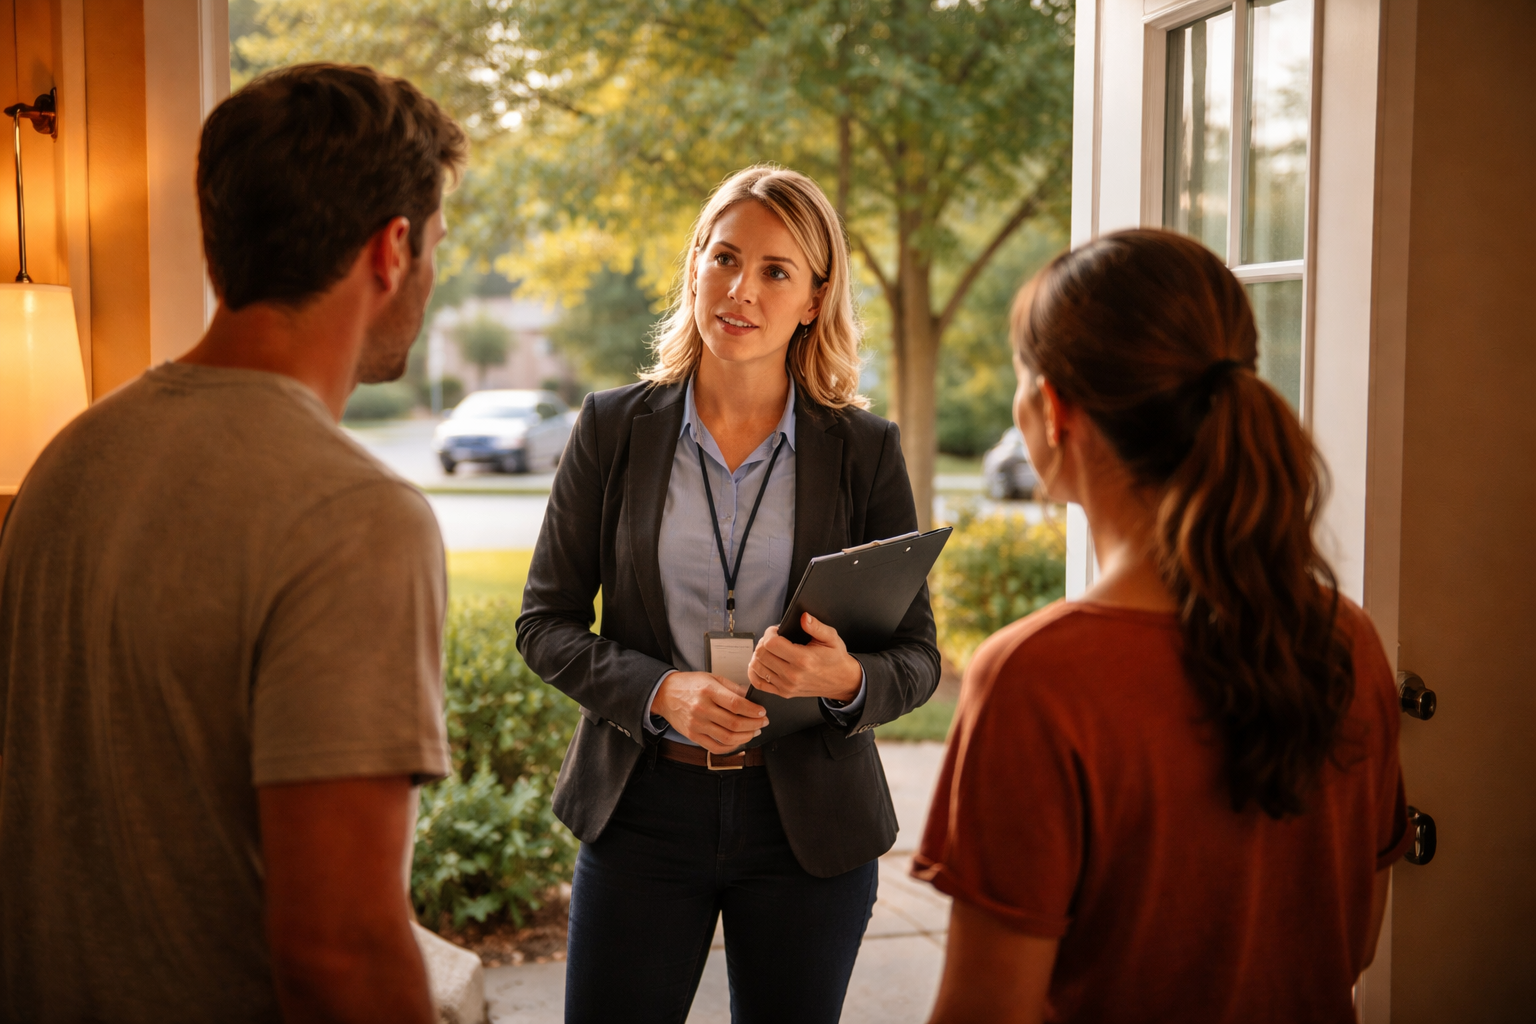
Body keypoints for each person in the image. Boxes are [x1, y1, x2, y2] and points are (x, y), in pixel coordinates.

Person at [0, 64, 466, 1024]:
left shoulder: (66, 463)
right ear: (392, 249)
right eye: (437, 247)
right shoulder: (357, 517)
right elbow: (339, 951)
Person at [914, 229, 1415, 1024]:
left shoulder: (1036, 677)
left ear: (1052, 408)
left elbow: (986, 1011)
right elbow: (1352, 945)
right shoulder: (1347, 639)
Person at [516, 165, 941, 1023]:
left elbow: (918, 659)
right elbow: (545, 625)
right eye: (724, 259)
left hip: (808, 825)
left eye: (776, 271)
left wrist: (843, 680)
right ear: (695, 267)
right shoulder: (610, 428)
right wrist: (661, 689)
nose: (741, 290)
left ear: (814, 299)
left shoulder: (865, 450)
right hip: (643, 808)